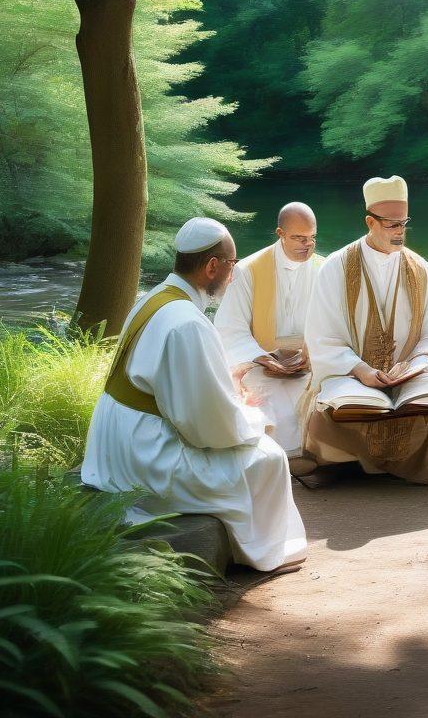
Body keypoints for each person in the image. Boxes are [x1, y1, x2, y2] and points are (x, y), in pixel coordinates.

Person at [82, 217, 307, 573]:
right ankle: (264, 554)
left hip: (115, 445)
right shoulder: (186, 323)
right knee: (269, 458)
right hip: (145, 462)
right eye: (231, 265)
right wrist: (255, 418)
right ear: (212, 267)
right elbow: (208, 430)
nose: (233, 274)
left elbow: (171, 389)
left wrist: (226, 389)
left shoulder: (153, 298)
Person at [304, 175, 428, 485]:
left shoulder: (420, 269)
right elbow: (321, 338)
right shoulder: (336, 267)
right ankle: (347, 464)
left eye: (404, 223)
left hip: (406, 378)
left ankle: (406, 463)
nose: (400, 231)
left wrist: (417, 365)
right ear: (370, 222)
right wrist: (360, 370)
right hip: (352, 375)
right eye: (391, 224)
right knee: (341, 404)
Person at [214, 202, 323, 457]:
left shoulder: (325, 269)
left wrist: (314, 350)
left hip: (310, 364)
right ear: (280, 234)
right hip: (261, 363)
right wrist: (263, 357)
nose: (306, 245)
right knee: (274, 403)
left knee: (319, 398)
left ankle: (315, 456)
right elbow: (230, 328)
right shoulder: (247, 270)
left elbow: (335, 325)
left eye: (311, 238)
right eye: (298, 237)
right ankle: (282, 458)